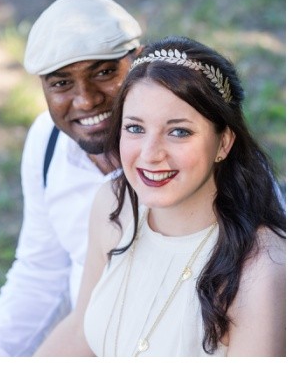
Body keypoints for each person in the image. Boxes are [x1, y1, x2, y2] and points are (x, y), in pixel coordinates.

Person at [35, 36, 285, 356]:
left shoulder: (263, 270)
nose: (150, 155)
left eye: (178, 131)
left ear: (223, 143)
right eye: (136, 128)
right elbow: (81, 330)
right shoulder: (113, 204)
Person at [0, 0, 143, 355]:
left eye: (104, 73)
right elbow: (41, 272)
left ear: (138, 60)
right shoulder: (46, 142)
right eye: (61, 83)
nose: (86, 100)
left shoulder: (184, 148)